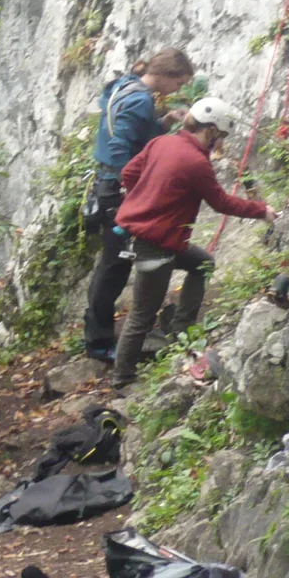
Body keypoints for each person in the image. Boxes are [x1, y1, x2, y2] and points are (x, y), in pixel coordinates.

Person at [109, 98, 274, 388]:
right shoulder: (197, 162)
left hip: (158, 237)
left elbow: (128, 174)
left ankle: (180, 330)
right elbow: (221, 203)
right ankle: (122, 380)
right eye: (220, 136)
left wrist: (145, 201)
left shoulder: (162, 142)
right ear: (210, 130)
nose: (220, 143)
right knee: (141, 315)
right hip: (156, 243)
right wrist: (262, 211)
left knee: (203, 263)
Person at [82, 47, 196, 362]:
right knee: (115, 267)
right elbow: (121, 146)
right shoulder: (140, 100)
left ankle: (96, 334)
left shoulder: (125, 85)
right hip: (117, 191)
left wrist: (163, 123)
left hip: (105, 186)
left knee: (109, 264)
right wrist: (135, 187)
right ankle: (99, 343)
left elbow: (126, 134)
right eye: (180, 83)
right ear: (168, 75)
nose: (179, 90)